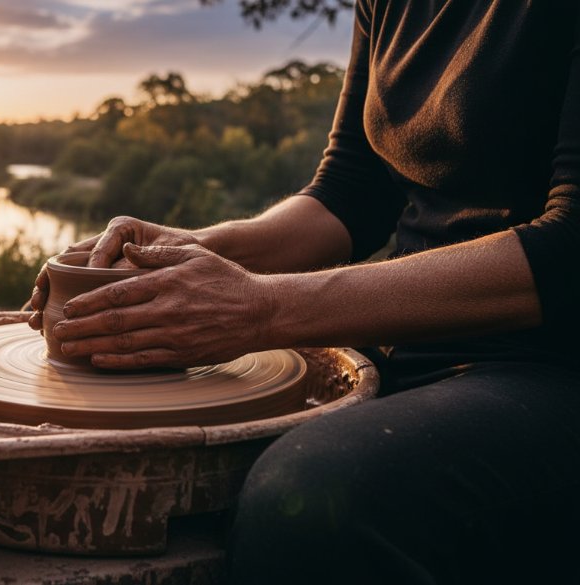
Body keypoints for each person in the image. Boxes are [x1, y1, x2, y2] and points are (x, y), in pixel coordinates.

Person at [29, 1, 580, 583]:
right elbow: (350, 192)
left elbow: (570, 251)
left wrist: (262, 307)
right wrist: (192, 251)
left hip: (547, 366)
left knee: (309, 498)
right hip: (404, 342)